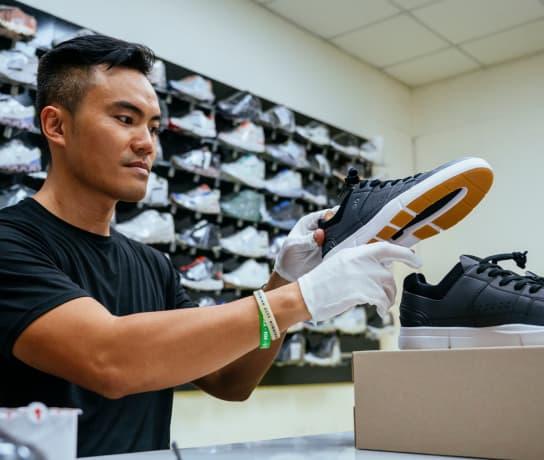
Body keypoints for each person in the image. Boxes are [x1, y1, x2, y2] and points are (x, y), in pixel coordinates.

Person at [0, 35, 420, 457]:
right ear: (56, 126)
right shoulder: (10, 242)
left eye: (153, 126)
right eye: (125, 119)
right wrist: (302, 298)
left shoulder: (153, 266)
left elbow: (229, 380)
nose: (148, 143)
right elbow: (109, 359)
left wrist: (284, 281)